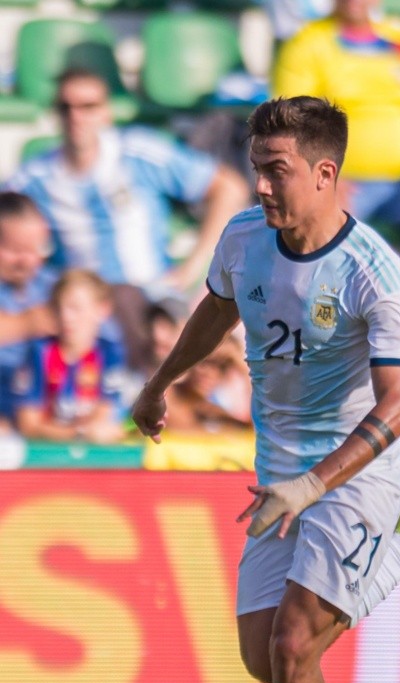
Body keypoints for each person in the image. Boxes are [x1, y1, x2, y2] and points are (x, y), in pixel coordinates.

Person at [130, 95, 400, 683]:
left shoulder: (376, 275)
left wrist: (314, 486)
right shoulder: (243, 238)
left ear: (324, 172)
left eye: (276, 170)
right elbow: (216, 307)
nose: (262, 186)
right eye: (255, 170)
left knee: (297, 644)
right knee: (265, 658)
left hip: (357, 471)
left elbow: (399, 407)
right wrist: (159, 384)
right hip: (280, 467)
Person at [4, 68, 250, 370]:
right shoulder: (35, 177)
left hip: (154, 294)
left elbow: (229, 188)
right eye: (65, 107)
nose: (75, 116)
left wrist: (194, 266)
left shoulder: (137, 151)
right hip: (84, 309)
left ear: (106, 112)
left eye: (87, 106)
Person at [271, 0, 400, 240]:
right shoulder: (305, 44)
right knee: (321, 230)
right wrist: (321, 178)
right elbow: (292, 123)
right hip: (344, 183)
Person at [13, 269, 127, 443]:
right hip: (47, 456)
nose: (66, 317)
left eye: (75, 308)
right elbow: (28, 425)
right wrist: (78, 433)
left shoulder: (110, 353)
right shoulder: (39, 352)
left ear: (102, 310)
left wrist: (86, 432)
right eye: (59, 307)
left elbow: (103, 418)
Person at [0, 192, 56, 431]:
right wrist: (26, 324)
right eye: (14, 250)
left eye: (33, 250)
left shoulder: (53, 286)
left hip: (45, 414)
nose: (25, 261)